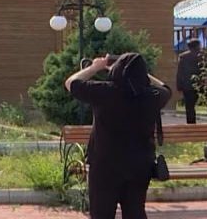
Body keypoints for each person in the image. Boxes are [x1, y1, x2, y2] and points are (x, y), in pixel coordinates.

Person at [66, 53, 172, 219]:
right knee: (135, 212)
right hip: (140, 166)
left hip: (105, 166)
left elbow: (71, 83)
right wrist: (140, 74)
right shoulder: (153, 96)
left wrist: (96, 67)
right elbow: (166, 88)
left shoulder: (105, 91)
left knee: (101, 213)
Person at [176, 39, 205, 124]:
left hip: (188, 86)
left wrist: (179, 85)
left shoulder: (183, 57)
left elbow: (180, 72)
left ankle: (191, 125)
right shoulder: (204, 56)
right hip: (202, 84)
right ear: (198, 46)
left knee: (189, 107)